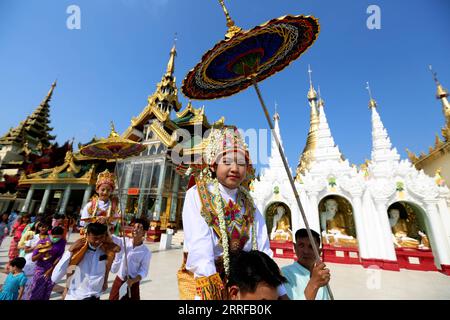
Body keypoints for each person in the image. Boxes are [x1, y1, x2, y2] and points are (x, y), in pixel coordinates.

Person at [180, 126, 287, 300]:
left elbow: (263, 249)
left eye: (241, 163)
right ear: (213, 166)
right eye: (227, 162)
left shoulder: (250, 203)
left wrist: (280, 291)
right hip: (204, 280)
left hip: (245, 282)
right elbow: (200, 249)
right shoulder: (198, 194)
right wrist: (212, 294)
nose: (235, 168)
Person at [51, 222, 109, 300]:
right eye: (95, 238)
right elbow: (55, 277)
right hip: (76, 296)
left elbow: (111, 268)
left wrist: (105, 281)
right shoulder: (77, 251)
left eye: (101, 237)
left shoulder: (105, 250)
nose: (98, 241)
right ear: (87, 235)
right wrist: (70, 251)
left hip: (95, 295)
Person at [281, 228, 331, 300]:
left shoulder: (321, 275)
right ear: (295, 247)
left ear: (319, 252)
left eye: (311, 247)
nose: (306, 251)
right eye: (301, 245)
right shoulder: (284, 274)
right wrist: (314, 283)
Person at [109, 218, 152, 300]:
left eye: (139, 227)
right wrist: (107, 226)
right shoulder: (124, 242)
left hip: (133, 284)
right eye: (134, 227)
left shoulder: (146, 252)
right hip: (120, 280)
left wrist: (133, 281)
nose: (135, 229)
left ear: (144, 232)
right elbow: (111, 238)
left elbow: (144, 271)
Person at [27, 226, 66, 300]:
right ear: (51, 234)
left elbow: (59, 257)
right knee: (36, 289)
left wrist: (50, 270)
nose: (56, 238)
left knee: (47, 290)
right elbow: (33, 258)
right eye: (54, 236)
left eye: (58, 237)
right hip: (40, 268)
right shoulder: (43, 242)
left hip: (52, 269)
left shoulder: (62, 242)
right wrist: (42, 253)